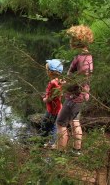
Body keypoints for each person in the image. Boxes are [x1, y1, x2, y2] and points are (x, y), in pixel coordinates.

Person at [56, 25, 94, 155]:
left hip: (74, 97)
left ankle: (60, 154)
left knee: (61, 123)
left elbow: (79, 79)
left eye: (71, 39)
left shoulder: (80, 57)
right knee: (75, 121)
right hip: (81, 95)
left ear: (77, 40)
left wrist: (65, 84)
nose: (70, 42)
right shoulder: (87, 54)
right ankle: (76, 150)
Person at [40, 59, 64, 148]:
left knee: (45, 124)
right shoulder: (60, 81)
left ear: (50, 72)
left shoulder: (52, 83)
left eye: (47, 70)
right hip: (59, 108)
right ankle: (54, 143)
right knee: (54, 126)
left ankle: (42, 141)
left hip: (52, 110)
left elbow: (50, 98)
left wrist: (44, 99)